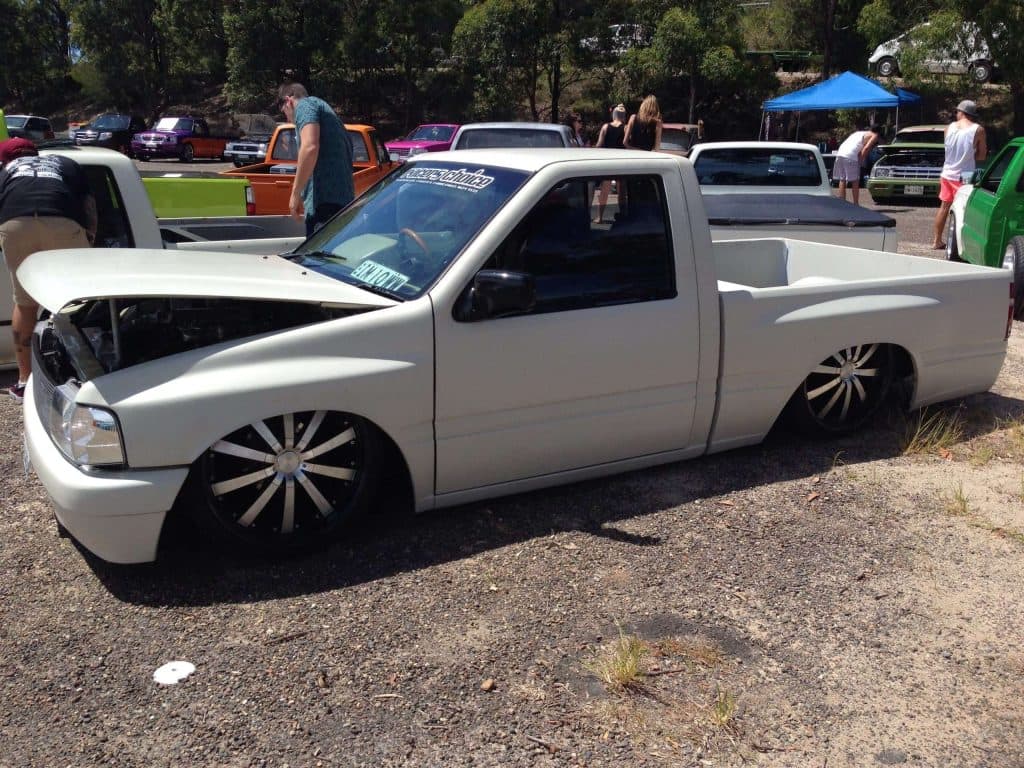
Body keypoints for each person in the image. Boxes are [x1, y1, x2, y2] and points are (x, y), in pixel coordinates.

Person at [0, 138, 96, 400]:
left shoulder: (6, 171)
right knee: (76, 301)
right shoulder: (64, 163)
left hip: (16, 224)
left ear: (5, 159)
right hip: (61, 220)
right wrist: (90, 237)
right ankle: (84, 375)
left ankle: (24, 381)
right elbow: (88, 204)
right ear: (36, 152)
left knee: (24, 302)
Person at [278, 82, 354, 236]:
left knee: (316, 257)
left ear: (288, 101)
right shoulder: (330, 115)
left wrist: (295, 194)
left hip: (324, 205)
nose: (287, 120)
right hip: (341, 204)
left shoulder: (305, 106)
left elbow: (310, 147)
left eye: (284, 112)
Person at [933, 99, 987, 249]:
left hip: (947, 172)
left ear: (962, 113)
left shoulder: (948, 128)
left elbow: (949, 151)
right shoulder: (978, 130)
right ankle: (962, 244)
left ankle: (936, 240)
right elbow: (982, 156)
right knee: (964, 209)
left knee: (944, 207)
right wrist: (971, 156)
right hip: (966, 173)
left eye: (957, 111)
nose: (956, 114)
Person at [592, 104, 627, 223]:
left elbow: (599, 145)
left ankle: (600, 217)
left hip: (608, 161)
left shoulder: (605, 127)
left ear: (614, 115)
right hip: (621, 162)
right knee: (621, 191)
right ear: (623, 116)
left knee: (604, 190)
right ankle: (623, 215)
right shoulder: (626, 128)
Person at [833, 124, 881, 205]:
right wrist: (860, 161)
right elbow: (866, 148)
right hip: (850, 156)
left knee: (842, 179)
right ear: (878, 132)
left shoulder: (858, 133)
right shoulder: (875, 135)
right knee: (855, 181)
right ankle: (856, 205)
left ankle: (842, 203)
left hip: (840, 153)